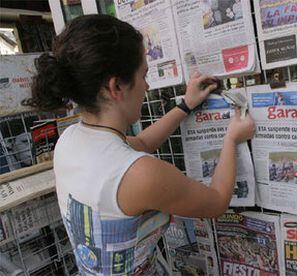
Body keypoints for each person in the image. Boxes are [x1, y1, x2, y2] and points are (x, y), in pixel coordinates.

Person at [30, 15, 255, 275]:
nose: (147, 86)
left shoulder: (70, 140)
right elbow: (216, 202)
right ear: (116, 87)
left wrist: (185, 105)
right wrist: (231, 138)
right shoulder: (141, 174)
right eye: (144, 74)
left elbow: (144, 142)